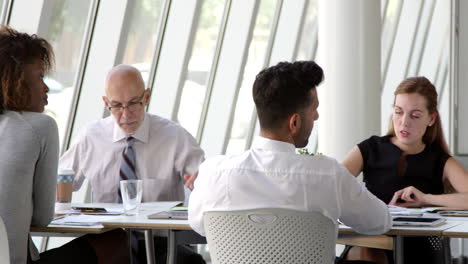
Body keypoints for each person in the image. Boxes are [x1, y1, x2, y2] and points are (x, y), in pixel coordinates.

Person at [188, 60, 392, 262]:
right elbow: (379, 221)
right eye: (314, 110)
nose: (317, 116)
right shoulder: (328, 174)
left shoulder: (213, 172)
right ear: (294, 122)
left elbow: (199, 224)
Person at [0, 26, 129, 264]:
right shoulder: (39, 126)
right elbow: (42, 216)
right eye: (39, 76)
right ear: (15, 79)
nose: (46, 87)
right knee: (116, 241)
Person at [59, 64, 206, 264]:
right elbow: (60, 178)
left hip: (161, 242)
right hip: (108, 241)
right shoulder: (91, 136)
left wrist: (200, 184)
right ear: (106, 103)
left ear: (146, 97)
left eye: (133, 103)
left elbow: (205, 182)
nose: (126, 115)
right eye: (117, 106)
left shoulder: (174, 136)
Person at [342, 76, 468, 264]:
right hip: (371, 246)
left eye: (415, 115)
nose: (404, 122)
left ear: (431, 118)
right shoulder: (370, 149)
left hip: (419, 250)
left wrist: (425, 199)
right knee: (368, 252)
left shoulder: (440, 161)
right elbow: (333, 184)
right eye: (398, 112)